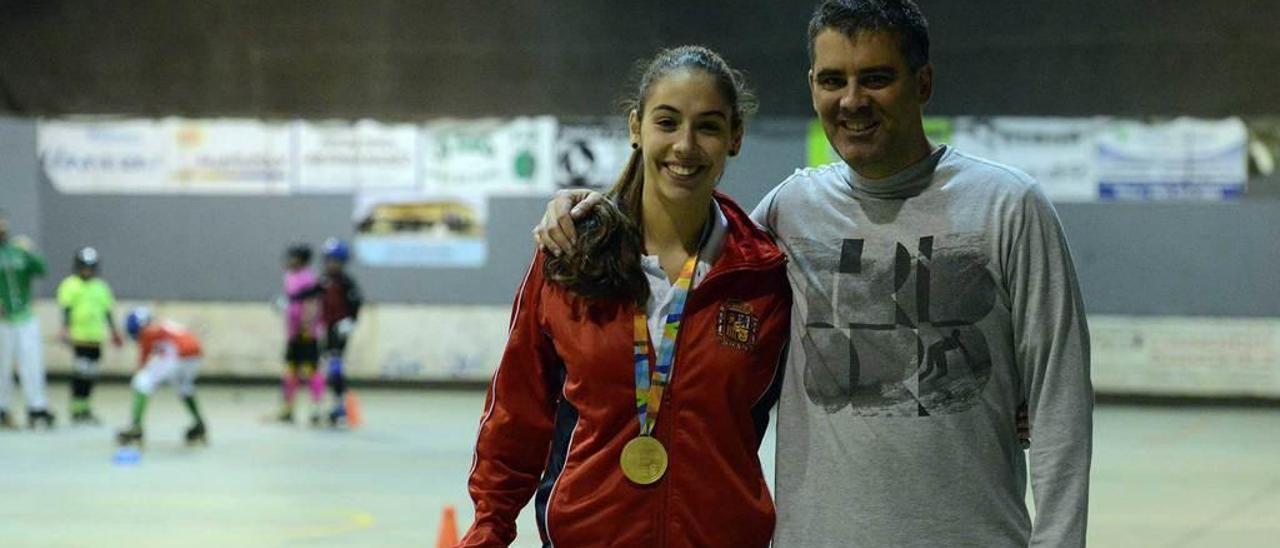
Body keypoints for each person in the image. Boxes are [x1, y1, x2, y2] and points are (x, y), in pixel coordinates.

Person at [533, 1, 1093, 546]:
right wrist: (590, 207)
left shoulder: (1009, 206)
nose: (852, 101)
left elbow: (1059, 398)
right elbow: (681, 253)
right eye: (832, 81)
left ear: (922, 83)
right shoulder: (790, 209)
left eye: (876, 78)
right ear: (812, 86)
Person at [463, 46, 792, 547]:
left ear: (735, 137)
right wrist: (488, 528)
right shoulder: (571, 252)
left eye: (707, 126)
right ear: (636, 127)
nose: (685, 145)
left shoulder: (764, 275)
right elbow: (517, 409)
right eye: (667, 122)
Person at [290, 237, 363, 426]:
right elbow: (309, 293)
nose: (331, 265)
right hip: (328, 328)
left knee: (336, 366)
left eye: (335, 261)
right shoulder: (323, 280)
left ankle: (340, 406)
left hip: (341, 329)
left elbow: (356, 301)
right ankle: (327, 405)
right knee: (324, 367)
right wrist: (290, 299)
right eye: (329, 261)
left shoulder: (345, 282)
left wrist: (351, 321)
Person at [115, 307, 208, 447]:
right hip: (194, 356)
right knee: (184, 387)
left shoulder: (147, 330)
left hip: (178, 354)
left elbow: (144, 357)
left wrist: (140, 370)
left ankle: (136, 427)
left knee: (141, 381)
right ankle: (199, 424)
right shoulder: (164, 324)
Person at [56, 246, 124, 425]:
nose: (87, 271)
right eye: (84, 267)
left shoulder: (101, 287)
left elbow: (107, 311)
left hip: (96, 338)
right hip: (79, 337)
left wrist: (114, 331)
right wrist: (65, 328)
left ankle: (85, 407)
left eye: (91, 267)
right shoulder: (70, 284)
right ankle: (76, 408)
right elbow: (66, 309)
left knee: (91, 374)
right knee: (81, 372)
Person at [0, 210, 54, 429]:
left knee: (32, 363)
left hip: (24, 317)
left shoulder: (18, 250)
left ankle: (37, 408)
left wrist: (30, 251)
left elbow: (42, 270)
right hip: (3, 321)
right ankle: (2, 408)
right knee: (2, 366)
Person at [277, 243, 325, 424]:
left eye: (293, 257)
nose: (290, 261)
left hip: (306, 331)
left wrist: (307, 326)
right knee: (290, 369)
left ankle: (316, 408)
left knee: (310, 369)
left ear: (302, 260)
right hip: (292, 331)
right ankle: (288, 408)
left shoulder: (308, 278)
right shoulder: (289, 276)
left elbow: (312, 303)